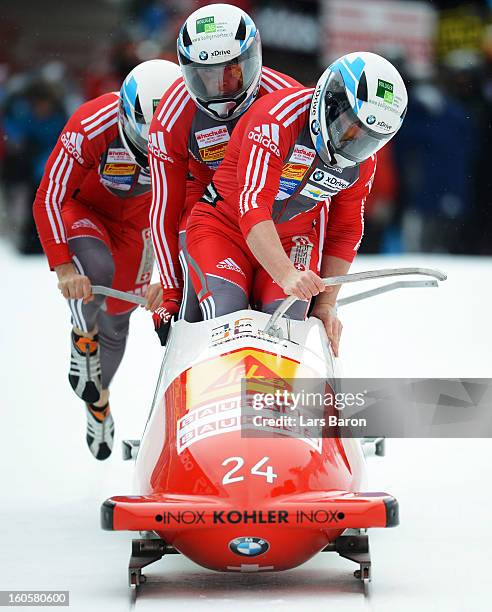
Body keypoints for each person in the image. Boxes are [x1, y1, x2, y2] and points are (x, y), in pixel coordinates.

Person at [185, 52, 408, 355]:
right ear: (331, 101)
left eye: (368, 139)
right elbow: (252, 204)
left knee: (286, 321)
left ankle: (275, 395)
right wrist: (286, 273)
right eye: (350, 128)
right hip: (224, 229)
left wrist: (327, 304)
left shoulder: (362, 163)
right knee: (226, 311)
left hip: (294, 241)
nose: (353, 144)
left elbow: (345, 229)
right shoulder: (277, 119)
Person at [33, 59, 182, 460]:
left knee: (117, 322)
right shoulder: (91, 124)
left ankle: (98, 404)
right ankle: (81, 339)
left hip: (142, 226)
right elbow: (49, 195)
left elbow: (196, 209)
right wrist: (63, 265)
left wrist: (170, 278)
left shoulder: (194, 127)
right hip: (87, 213)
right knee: (95, 270)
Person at [148, 3, 301, 343]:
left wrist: (325, 305)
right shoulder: (171, 118)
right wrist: (172, 288)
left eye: (232, 71)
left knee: (290, 312)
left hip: (274, 213)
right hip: (209, 208)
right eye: (206, 75)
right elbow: (164, 210)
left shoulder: (287, 97)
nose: (221, 87)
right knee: (204, 303)